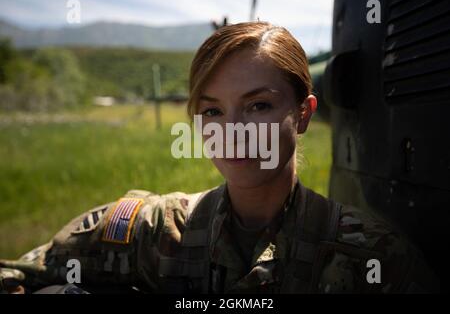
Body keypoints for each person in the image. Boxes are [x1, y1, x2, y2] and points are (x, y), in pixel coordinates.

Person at [0, 22, 438, 294]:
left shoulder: (375, 259)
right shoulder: (152, 232)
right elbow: (19, 275)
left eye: (258, 105)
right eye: (212, 110)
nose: (231, 132)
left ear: (303, 114)